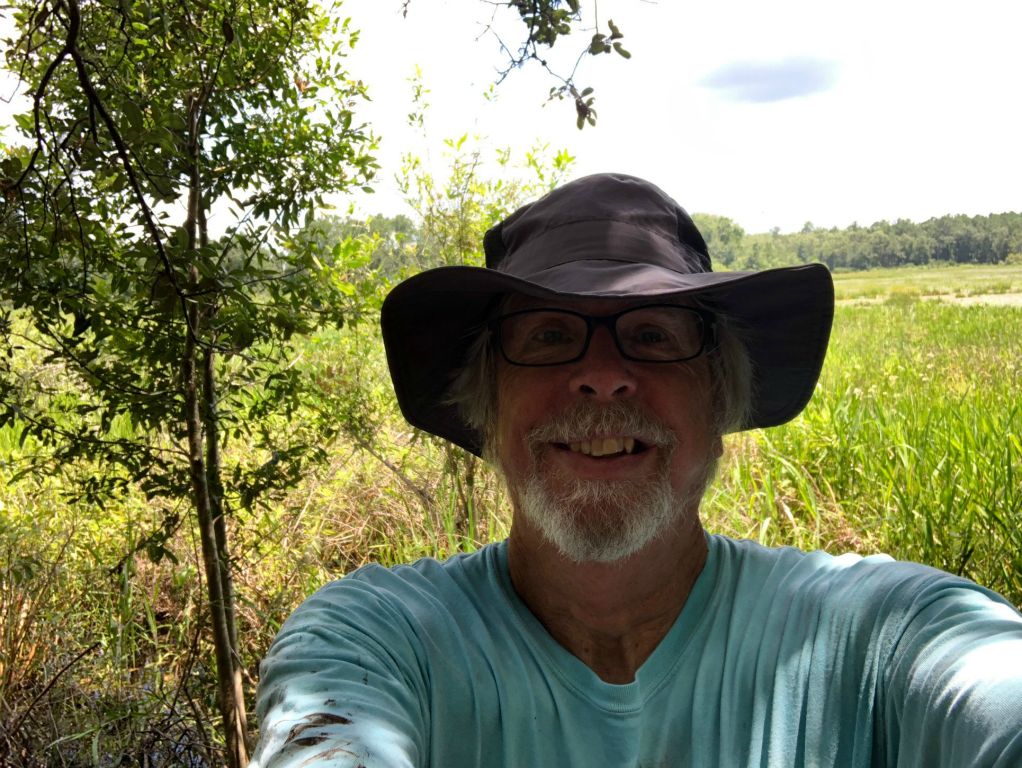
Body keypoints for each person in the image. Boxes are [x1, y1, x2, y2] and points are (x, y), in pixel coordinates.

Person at [250, 174, 1022, 767]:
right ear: (487, 406)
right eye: (549, 335)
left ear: (719, 401)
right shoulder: (376, 641)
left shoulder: (882, 633)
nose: (602, 377)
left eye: (653, 335)